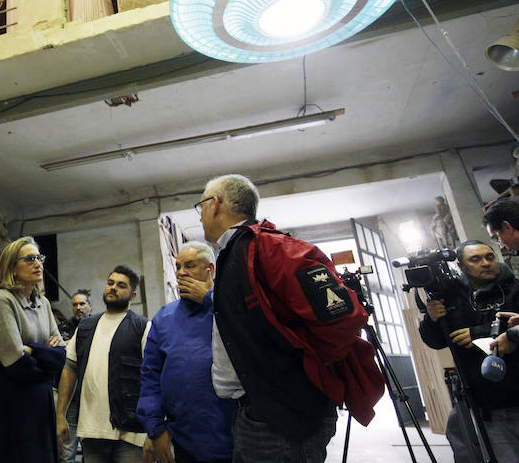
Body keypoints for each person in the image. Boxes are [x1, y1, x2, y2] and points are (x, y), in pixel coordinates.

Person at [200, 174, 379, 463]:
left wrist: (302, 374)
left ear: (216, 204)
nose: (201, 217)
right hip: (258, 413)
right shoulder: (234, 252)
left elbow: (342, 320)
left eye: (201, 207)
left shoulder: (269, 249)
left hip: (285, 420)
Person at [418, 240, 519, 463]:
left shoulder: (514, 289)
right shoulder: (452, 296)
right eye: (476, 259)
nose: (485, 263)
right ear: (461, 267)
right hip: (485, 403)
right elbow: (436, 342)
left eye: (489, 257)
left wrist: (477, 333)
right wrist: (432, 319)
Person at [137, 241, 235, 463]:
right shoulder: (164, 318)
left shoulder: (231, 309)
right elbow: (150, 376)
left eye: (189, 266)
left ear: (209, 269)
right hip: (184, 440)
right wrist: (155, 428)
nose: (181, 273)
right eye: (178, 266)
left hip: (236, 436)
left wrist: (212, 300)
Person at [0, 236, 66, 463]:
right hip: (10, 407)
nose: (38, 264)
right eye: (29, 259)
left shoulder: (43, 303)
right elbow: (17, 365)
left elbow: (62, 356)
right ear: (12, 268)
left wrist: (32, 350)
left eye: (39, 258)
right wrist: (46, 357)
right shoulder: (1, 300)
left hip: (40, 406)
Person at [57, 266, 149, 463]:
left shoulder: (142, 327)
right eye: (110, 283)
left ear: (132, 295)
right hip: (92, 431)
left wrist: (155, 428)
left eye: (121, 285)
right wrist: (60, 415)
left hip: (131, 432)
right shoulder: (85, 327)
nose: (113, 287)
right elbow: (69, 369)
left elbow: (153, 379)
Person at [60, 288, 94, 463]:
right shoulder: (64, 327)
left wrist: (68, 345)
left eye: (82, 304)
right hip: (71, 398)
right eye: (75, 304)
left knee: (93, 453)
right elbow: (59, 351)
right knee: (67, 453)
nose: (78, 307)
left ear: (90, 306)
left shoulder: (98, 327)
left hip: (92, 398)